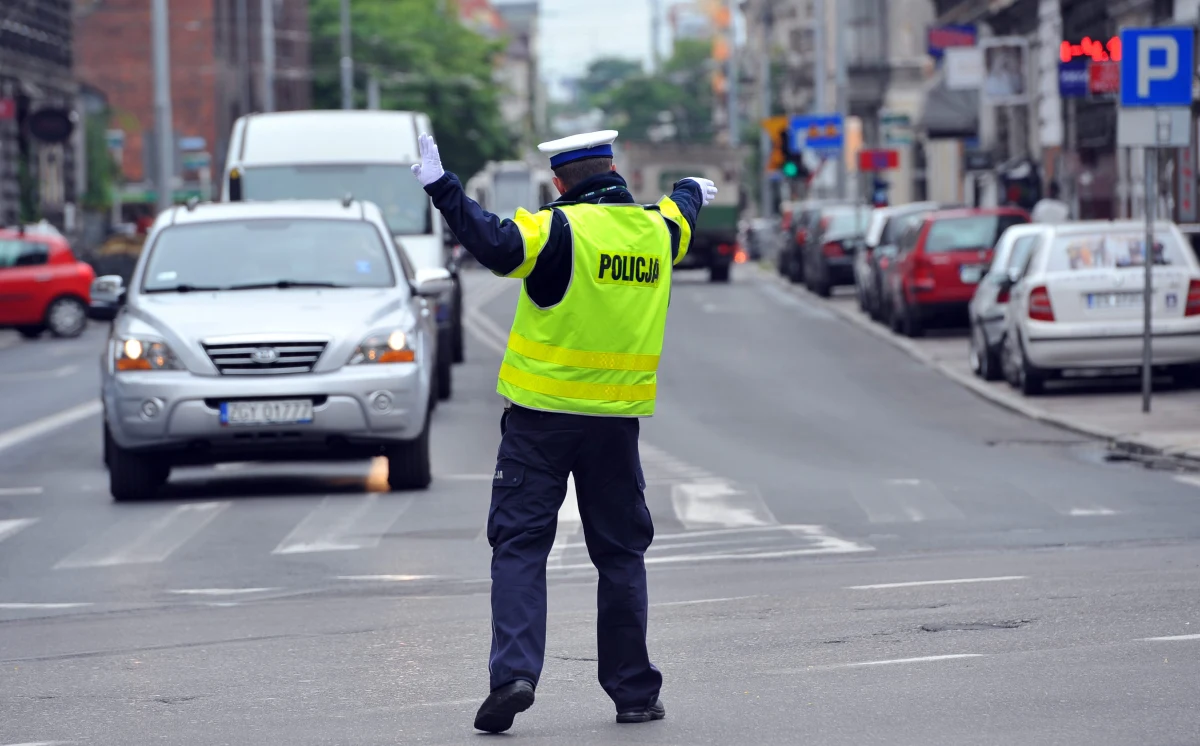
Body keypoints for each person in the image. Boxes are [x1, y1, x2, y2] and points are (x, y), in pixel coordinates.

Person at [410, 130, 715, 733]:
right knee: (621, 554)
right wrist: (689, 190)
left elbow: (492, 243)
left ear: (559, 183)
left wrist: (441, 188)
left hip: (539, 422)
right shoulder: (657, 233)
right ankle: (633, 693)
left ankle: (515, 676)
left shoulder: (555, 231)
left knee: (520, 547)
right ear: (616, 170)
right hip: (614, 426)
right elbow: (682, 211)